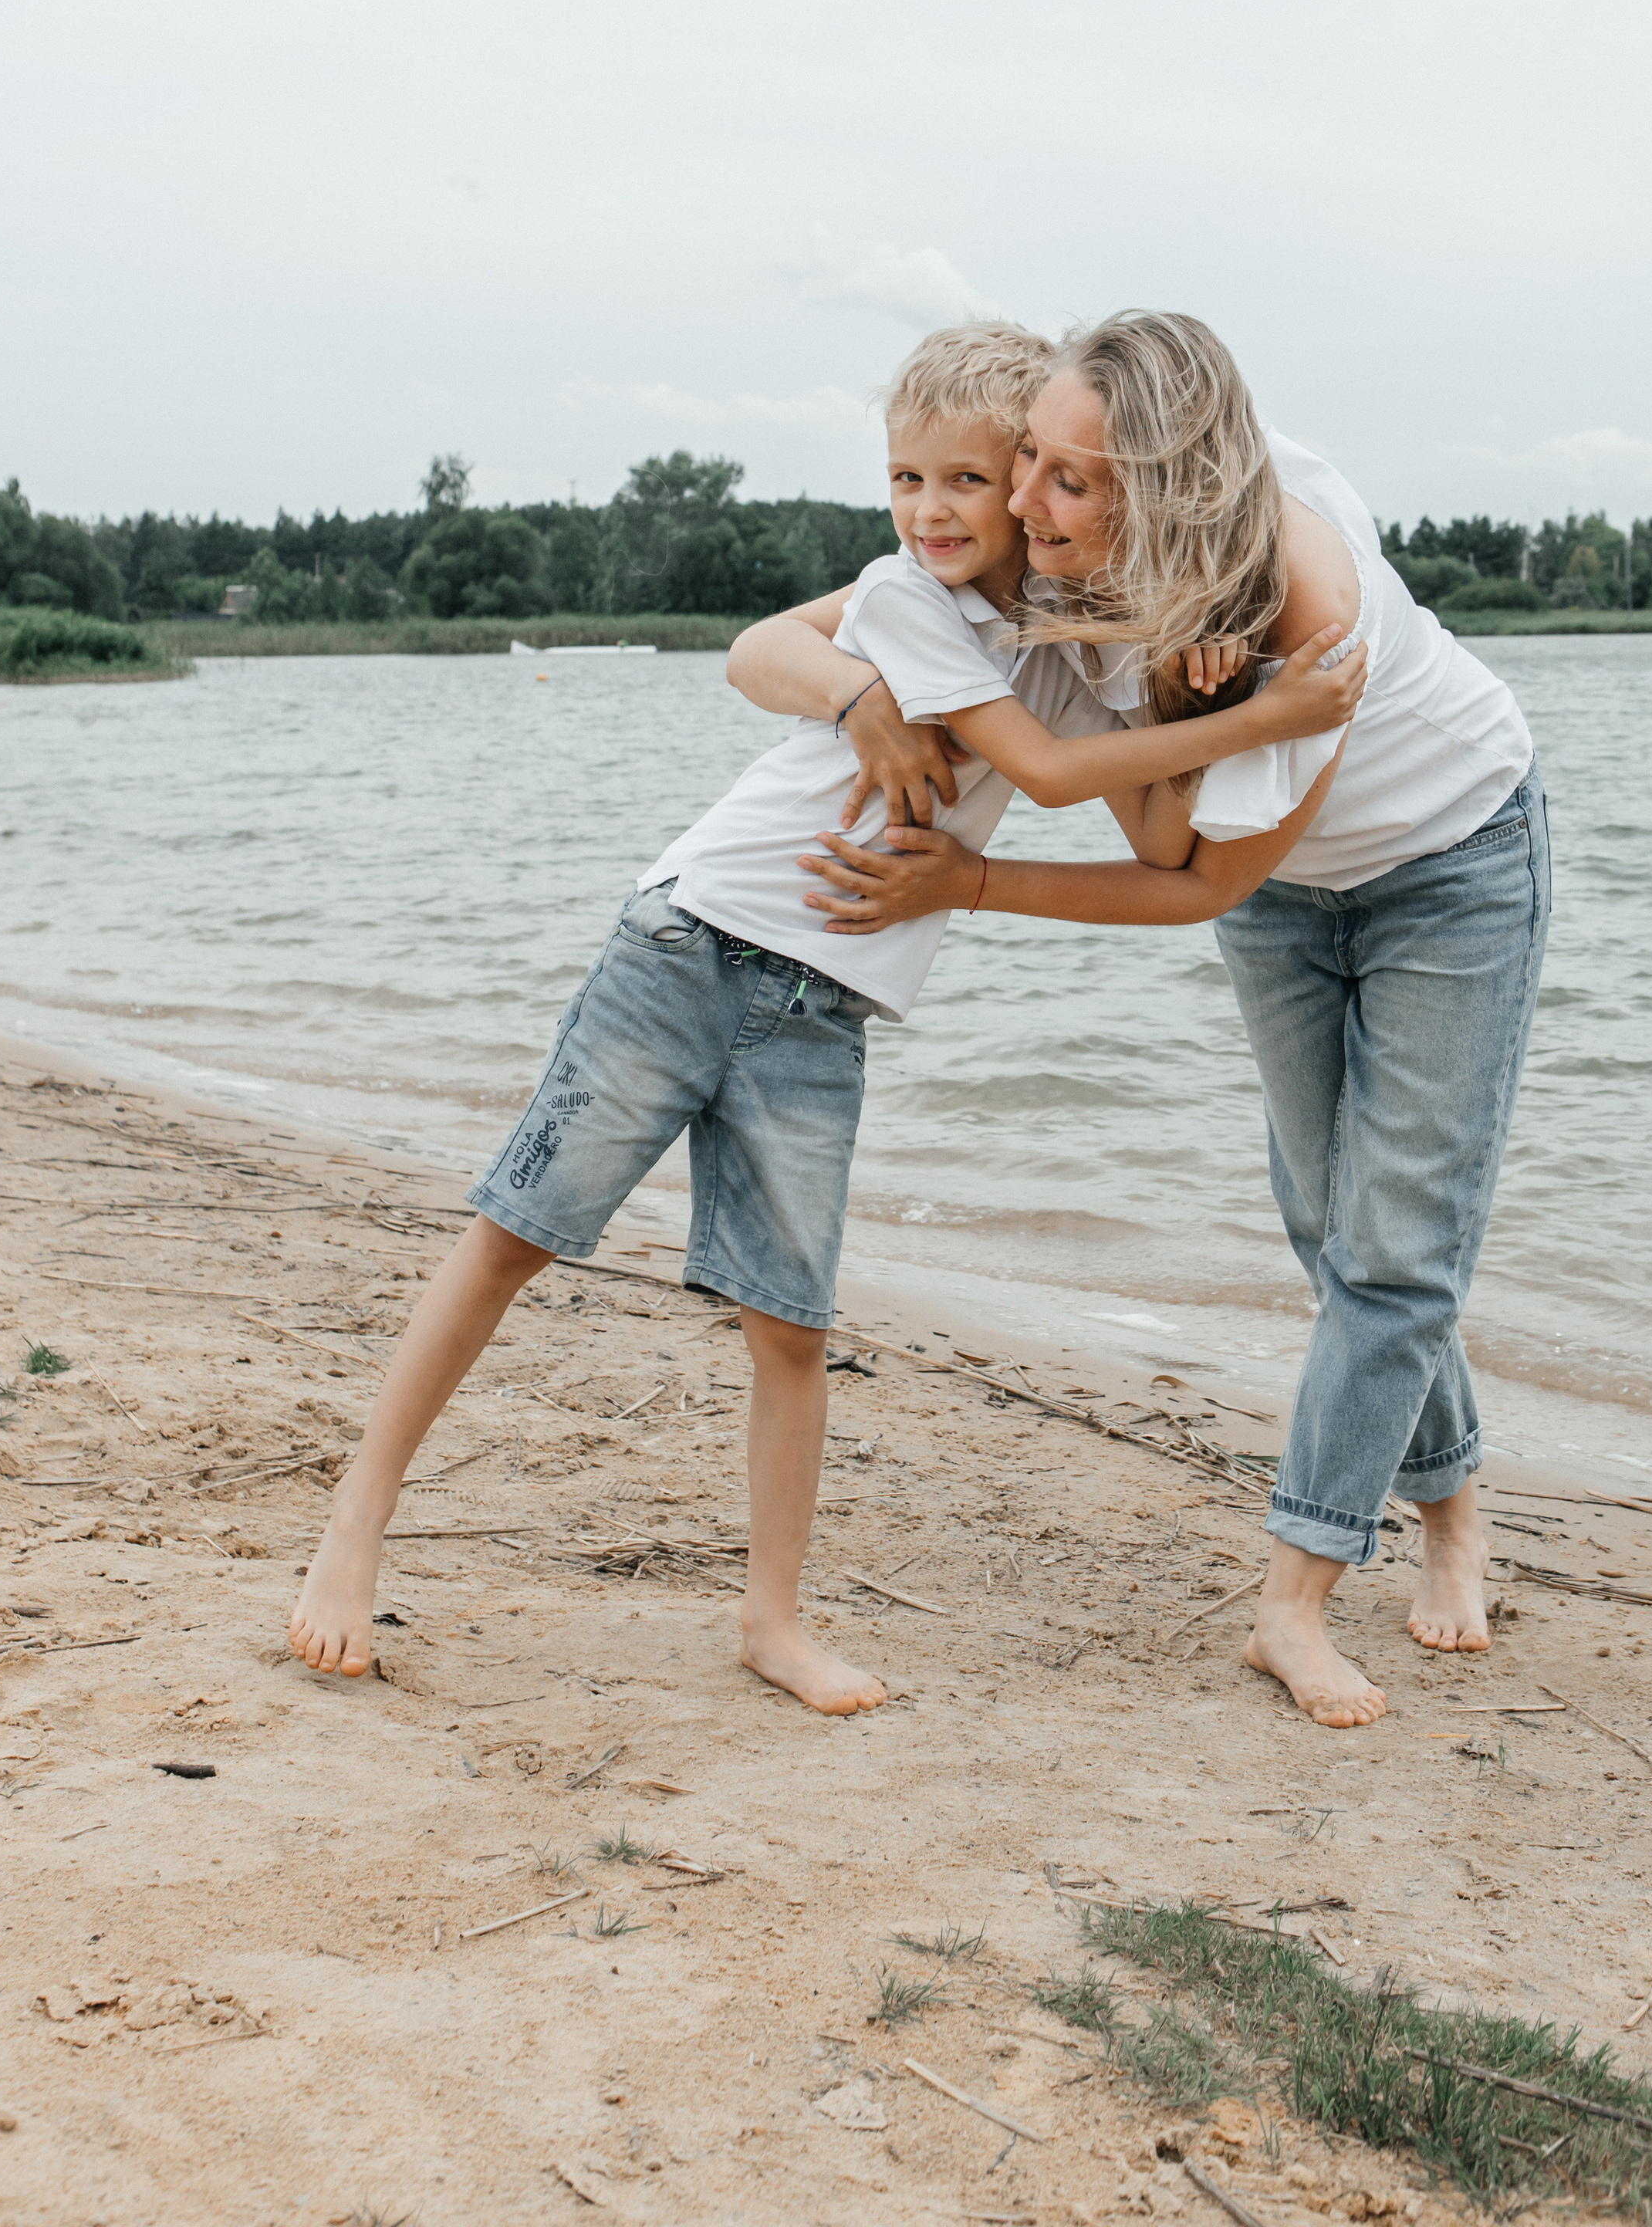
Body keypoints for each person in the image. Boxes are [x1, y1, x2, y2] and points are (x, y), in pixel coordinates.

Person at [287, 320, 1366, 1715]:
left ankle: (774, 1623)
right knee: (512, 1237)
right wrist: (1243, 721)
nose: (935, 512)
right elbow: (1040, 776)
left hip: (825, 1005)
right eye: (905, 479)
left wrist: (1197, 685)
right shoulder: (901, 599)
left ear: (1036, 488)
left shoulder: (1088, 651)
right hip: (689, 945)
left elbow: (1160, 839)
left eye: (971, 483)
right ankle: (353, 1528)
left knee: (791, 1325)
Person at [728, 309, 1547, 1732]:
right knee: (1328, 1220)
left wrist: (971, 880)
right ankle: (1453, 1490)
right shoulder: (1073, 558)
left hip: (1451, 866)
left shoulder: (1304, 614)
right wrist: (867, 698)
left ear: (1166, 483)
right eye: (1027, 460)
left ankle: (1296, 1601)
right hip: (1294, 899)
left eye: (1063, 478)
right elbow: (769, 647)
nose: (1022, 501)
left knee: (1397, 1241)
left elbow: (1194, 881)